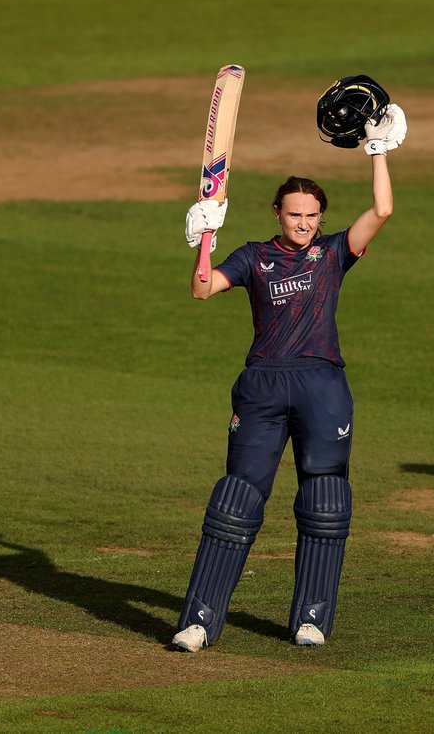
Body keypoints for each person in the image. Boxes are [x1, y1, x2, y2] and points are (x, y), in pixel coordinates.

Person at [171, 104, 407, 651]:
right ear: (277, 212)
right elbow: (202, 289)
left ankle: (312, 619)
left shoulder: (332, 254)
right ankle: (199, 621)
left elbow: (384, 210)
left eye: (311, 216)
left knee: (324, 500)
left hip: (321, 385)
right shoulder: (254, 258)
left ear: (320, 218)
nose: (302, 224)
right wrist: (202, 236)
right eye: (294, 214)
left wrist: (379, 152)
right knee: (236, 500)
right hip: (263, 385)